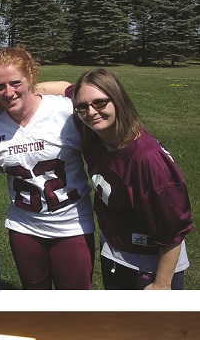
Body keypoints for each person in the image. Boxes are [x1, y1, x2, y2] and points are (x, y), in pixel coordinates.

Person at [72, 68, 193, 290]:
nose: (91, 112)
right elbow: (66, 88)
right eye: (82, 107)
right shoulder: (94, 134)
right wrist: (34, 89)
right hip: (116, 251)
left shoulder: (147, 160)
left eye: (99, 103)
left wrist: (162, 284)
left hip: (150, 262)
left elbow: (173, 228)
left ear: (118, 101)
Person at [0, 46, 95, 289]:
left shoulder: (64, 110)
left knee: (77, 307)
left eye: (16, 83)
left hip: (72, 224)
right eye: (0, 86)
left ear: (31, 78)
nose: (9, 92)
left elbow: (96, 97)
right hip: (24, 226)